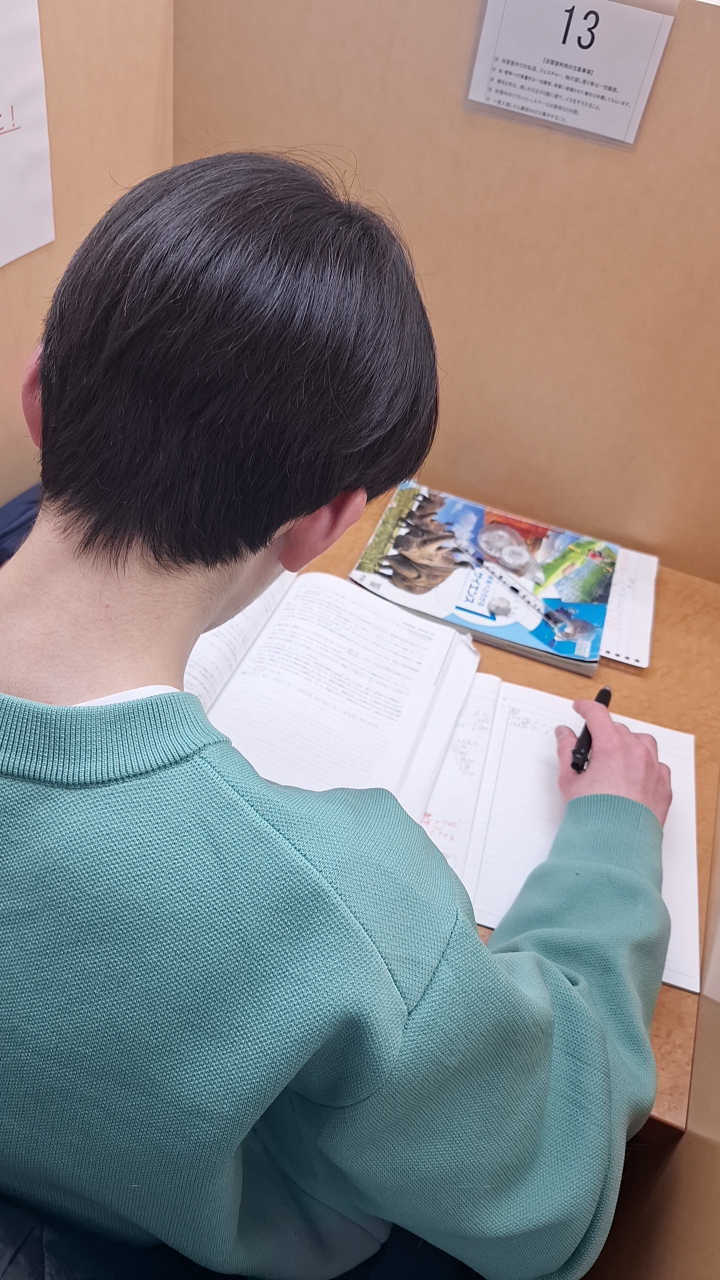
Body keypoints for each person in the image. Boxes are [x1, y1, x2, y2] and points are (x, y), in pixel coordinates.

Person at [0, 153, 671, 1280]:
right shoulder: (340, 906)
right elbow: (552, 1192)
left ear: (36, 396)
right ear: (326, 524)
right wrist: (611, 849)